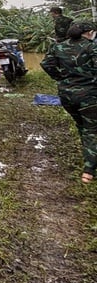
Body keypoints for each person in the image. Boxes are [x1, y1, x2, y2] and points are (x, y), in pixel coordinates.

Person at [40, 21, 97, 184]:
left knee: (82, 125)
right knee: (91, 130)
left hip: (66, 95)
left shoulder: (57, 47)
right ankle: (89, 171)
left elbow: (46, 64)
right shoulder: (91, 46)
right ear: (89, 32)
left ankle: (90, 155)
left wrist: (61, 78)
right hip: (89, 95)